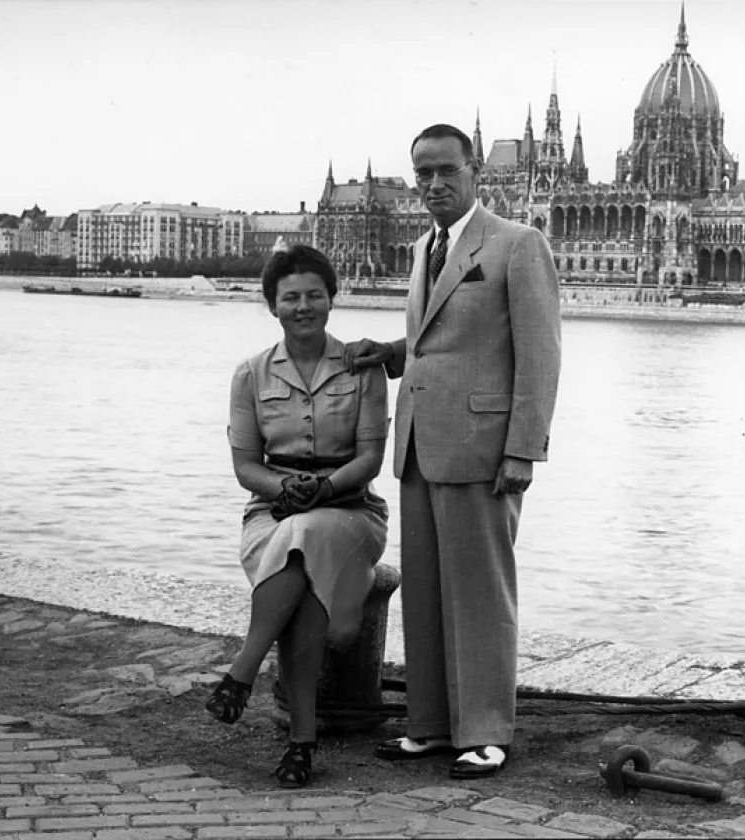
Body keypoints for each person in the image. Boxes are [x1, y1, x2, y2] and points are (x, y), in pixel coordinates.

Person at [345, 123, 561, 779]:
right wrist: (392, 354)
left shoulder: (518, 245)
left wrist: (523, 450)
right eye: (423, 174)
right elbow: (438, 336)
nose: (434, 184)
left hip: (483, 448)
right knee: (430, 595)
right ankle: (432, 726)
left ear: (475, 174)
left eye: (446, 171)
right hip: (419, 444)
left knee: (481, 596)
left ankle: (487, 729)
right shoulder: (423, 248)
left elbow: (541, 355)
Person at [207, 243, 390, 789]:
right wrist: (290, 488)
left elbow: (371, 459)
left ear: (333, 299)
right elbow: (245, 467)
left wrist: (326, 488)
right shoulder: (250, 375)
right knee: (300, 557)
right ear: (273, 306)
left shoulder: (363, 369)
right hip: (271, 512)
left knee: (304, 536)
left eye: (314, 295)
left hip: (353, 513)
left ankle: (243, 673)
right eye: (291, 298)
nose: (303, 306)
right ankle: (301, 742)